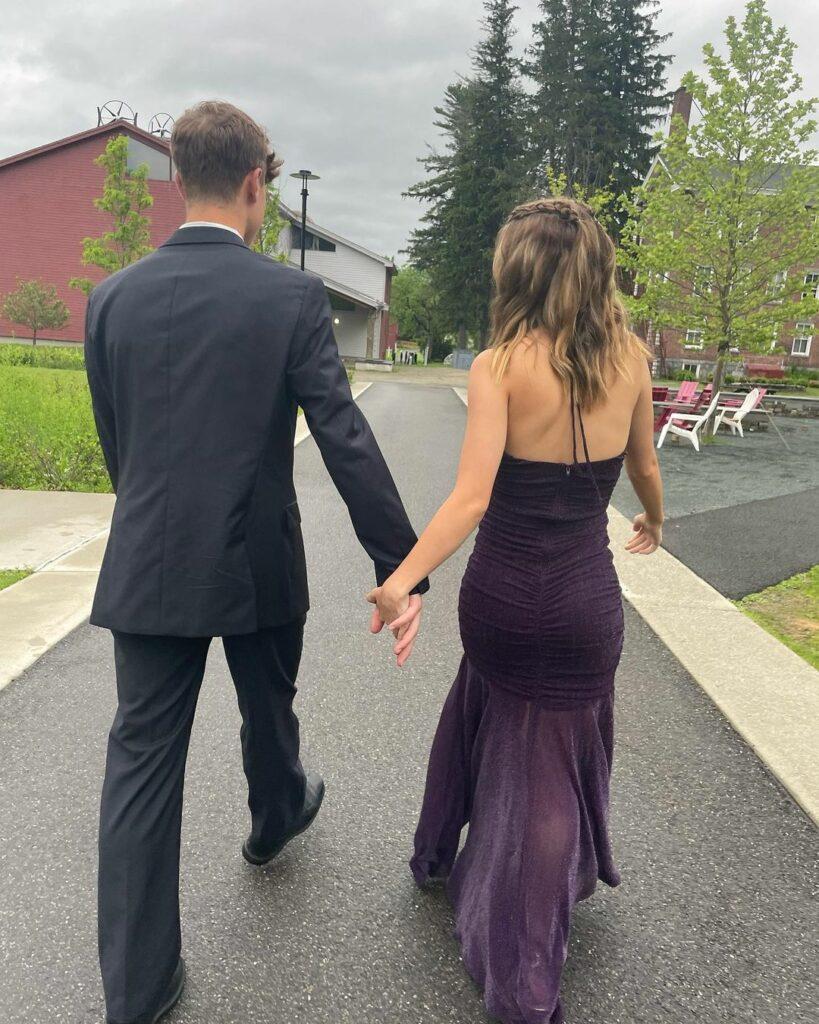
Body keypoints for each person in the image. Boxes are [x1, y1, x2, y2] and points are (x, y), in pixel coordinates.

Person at [85, 100, 426, 1024]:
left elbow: (120, 443)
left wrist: (153, 518)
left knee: (141, 763)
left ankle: (138, 991)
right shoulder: (288, 298)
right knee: (267, 702)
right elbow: (344, 437)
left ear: (179, 180)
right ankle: (275, 818)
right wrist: (401, 568)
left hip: (150, 561)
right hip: (258, 558)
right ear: (252, 184)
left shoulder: (110, 298)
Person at [368, 196, 663, 1024]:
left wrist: (402, 580)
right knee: (550, 755)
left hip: (501, 595)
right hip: (583, 601)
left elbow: (468, 500)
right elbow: (642, 465)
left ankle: (520, 981)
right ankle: (502, 906)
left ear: (518, 270)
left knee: (488, 709)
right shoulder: (633, 361)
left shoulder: (498, 366)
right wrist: (655, 518)